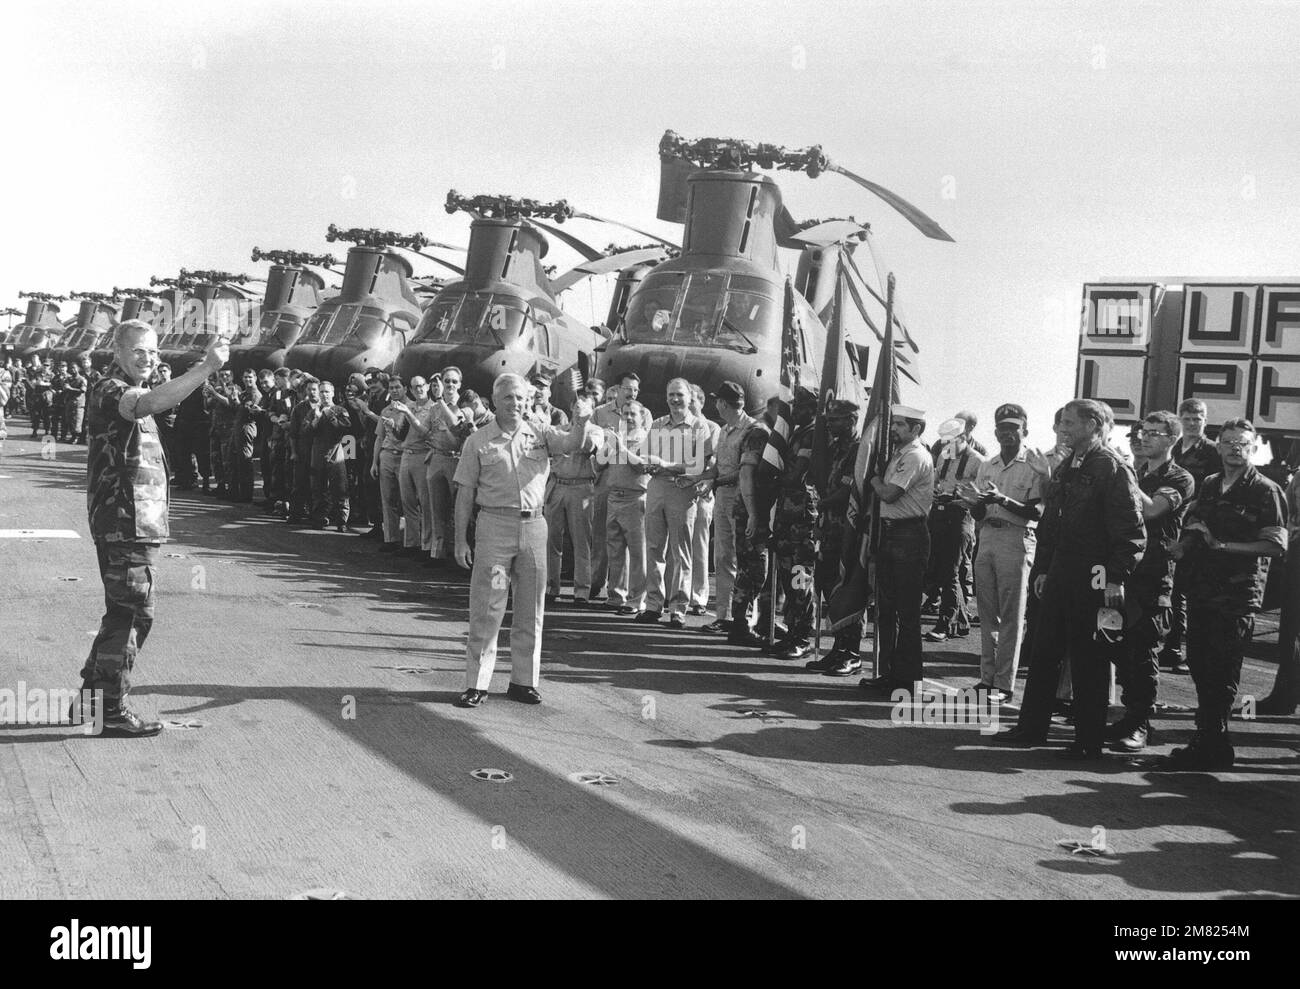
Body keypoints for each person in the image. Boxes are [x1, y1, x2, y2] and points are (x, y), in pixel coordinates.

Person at [73, 321, 228, 737]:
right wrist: (205, 368)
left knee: (125, 612)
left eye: (154, 352)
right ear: (118, 354)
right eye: (139, 351)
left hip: (136, 522)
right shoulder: (110, 389)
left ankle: (91, 701)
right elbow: (148, 404)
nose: (148, 359)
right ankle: (109, 710)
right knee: (132, 613)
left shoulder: (134, 389)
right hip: (124, 523)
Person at [1001, 399, 1146, 759]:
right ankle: (1031, 727)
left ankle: (1087, 741)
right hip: (1062, 570)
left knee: (1089, 658)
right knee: (1044, 650)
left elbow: (1131, 531)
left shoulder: (1112, 467)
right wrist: (1046, 568)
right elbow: (1053, 521)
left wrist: (1115, 578)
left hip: (1093, 574)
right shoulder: (1069, 463)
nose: (1062, 428)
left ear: (1093, 424)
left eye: (1068, 422)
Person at [452, 373, 593, 708]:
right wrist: (461, 539)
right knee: (490, 605)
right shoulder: (479, 441)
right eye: (508, 398)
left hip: (533, 530)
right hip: (496, 529)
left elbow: (573, 443)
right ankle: (477, 683)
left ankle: (523, 681)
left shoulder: (541, 433)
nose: (515, 404)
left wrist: (582, 419)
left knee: (531, 607)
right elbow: (465, 494)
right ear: (495, 401)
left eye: (520, 398)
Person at [1158, 419, 1287, 770]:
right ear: (1218, 446)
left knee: (1223, 670)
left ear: (1254, 447)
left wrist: (1222, 545)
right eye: (1228, 442)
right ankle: (1206, 739)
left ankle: (1216, 745)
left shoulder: (1265, 490)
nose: (1234, 448)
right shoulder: (1212, 484)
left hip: (1236, 595)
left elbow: (1275, 546)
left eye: (1242, 443)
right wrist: (1182, 546)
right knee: (1199, 665)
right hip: (1201, 589)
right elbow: (1196, 525)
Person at [1106, 410, 1194, 752]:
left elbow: (1153, 511)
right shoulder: (1138, 472)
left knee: (1143, 652)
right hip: (1124, 573)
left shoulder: (1180, 477)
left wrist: (1126, 475)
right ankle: (1129, 717)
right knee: (1119, 648)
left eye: (1155, 433)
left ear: (1172, 439)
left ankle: (1141, 723)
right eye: (1143, 431)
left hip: (1153, 577)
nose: (1144, 437)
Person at [956, 404, 1043, 703]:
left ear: (1024, 431)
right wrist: (972, 502)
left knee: (1011, 615)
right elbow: (981, 509)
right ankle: (987, 679)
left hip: (1016, 538)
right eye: (1002, 428)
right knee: (987, 613)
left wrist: (1002, 500)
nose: (1007, 433)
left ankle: (1004, 684)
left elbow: (1037, 511)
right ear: (995, 432)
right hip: (988, 535)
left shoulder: (1033, 463)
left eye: (1013, 428)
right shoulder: (988, 464)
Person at [860, 406, 936, 693]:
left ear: (916, 429)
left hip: (908, 536)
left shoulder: (915, 455)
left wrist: (875, 480)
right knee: (887, 609)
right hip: (891, 534)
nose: (894, 430)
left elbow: (890, 494)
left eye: (901, 425)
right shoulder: (899, 455)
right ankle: (890, 673)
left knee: (905, 612)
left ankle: (906, 678)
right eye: (894, 424)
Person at [638, 378, 715, 628]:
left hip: (682, 490)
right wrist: (649, 463)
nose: (674, 399)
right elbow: (646, 455)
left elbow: (698, 465)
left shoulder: (699, 427)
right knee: (653, 547)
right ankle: (653, 605)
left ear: (690, 397)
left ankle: (678, 608)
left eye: (679, 395)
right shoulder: (659, 424)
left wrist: (667, 465)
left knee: (680, 552)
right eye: (671, 394)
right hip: (657, 487)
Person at [1161, 398, 1224, 675]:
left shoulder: (1211, 451)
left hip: (1197, 526)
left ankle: (1179, 649)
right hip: (1172, 523)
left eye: (1197, 419)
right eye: (1186, 418)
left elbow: (1214, 488)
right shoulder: (1173, 447)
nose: (1191, 423)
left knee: (1187, 589)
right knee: (1172, 587)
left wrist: (1191, 511)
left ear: (1205, 421)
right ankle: (1171, 646)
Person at [809, 399, 866, 675]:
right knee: (828, 585)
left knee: (848, 589)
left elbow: (848, 491)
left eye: (835, 420)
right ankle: (838, 648)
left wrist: (821, 504)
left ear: (851, 421)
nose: (829, 425)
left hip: (848, 530)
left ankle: (852, 653)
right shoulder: (834, 449)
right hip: (830, 528)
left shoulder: (859, 451)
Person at [699, 382, 755, 635]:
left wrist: (713, 480)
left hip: (742, 500)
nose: (716, 406)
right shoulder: (724, 430)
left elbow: (744, 473)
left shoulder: (752, 430)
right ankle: (724, 614)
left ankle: (744, 617)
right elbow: (718, 466)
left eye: (717, 402)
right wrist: (702, 478)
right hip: (722, 497)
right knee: (722, 557)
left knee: (743, 558)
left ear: (723, 403)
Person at [768, 388, 820, 659]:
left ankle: (802, 635)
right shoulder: (797, 433)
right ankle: (792, 631)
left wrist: (771, 477)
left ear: (813, 409)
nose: (794, 412)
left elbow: (798, 473)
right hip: (788, 512)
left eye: (800, 407)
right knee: (789, 576)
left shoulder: (812, 434)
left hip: (802, 515)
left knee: (801, 576)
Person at [592, 372, 652, 602]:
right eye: (625, 414)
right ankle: (616, 595)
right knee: (614, 549)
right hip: (613, 496)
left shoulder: (646, 438)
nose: (627, 417)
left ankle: (638, 599)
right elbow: (598, 464)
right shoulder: (615, 435)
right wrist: (608, 447)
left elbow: (641, 467)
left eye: (632, 414)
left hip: (635, 498)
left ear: (641, 416)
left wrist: (622, 449)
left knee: (638, 552)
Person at [924, 422, 985, 641]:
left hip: (961, 517)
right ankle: (960, 620)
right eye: (944, 441)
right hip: (940, 515)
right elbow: (938, 479)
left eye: (951, 441)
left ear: (964, 437)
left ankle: (945, 623)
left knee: (951, 572)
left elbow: (982, 497)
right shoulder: (944, 455)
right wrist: (937, 492)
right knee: (941, 570)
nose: (946, 445)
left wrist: (958, 498)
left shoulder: (979, 461)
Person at [545, 392, 601, 605]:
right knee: (552, 540)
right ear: (570, 406)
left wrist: (583, 424)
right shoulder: (558, 430)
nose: (579, 409)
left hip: (581, 488)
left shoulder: (596, 430)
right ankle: (552, 587)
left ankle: (581, 591)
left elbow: (587, 447)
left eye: (585, 406)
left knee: (581, 541)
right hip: (557, 485)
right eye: (577, 405)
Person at [424, 366, 467, 565]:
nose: (450, 385)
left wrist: (441, 401)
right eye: (446, 381)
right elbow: (426, 431)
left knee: (458, 509)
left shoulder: (464, 407)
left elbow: (458, 431)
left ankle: (458, 553)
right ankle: (437, 553)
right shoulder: (433, 408)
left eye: (454, 382)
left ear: (460, 384)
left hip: (455, 460)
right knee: (436, 508)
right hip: (437, 459)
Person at [392, 376, 436, 557]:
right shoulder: (408, 407)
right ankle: (411, 543)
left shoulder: (433, 408)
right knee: (407, 501)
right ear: (410, 390)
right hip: (406, 455)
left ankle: (427, 546)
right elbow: (400, 435)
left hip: (422, 456)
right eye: (414, 387)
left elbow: (426, 434)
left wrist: (408, 415)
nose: (418, 389)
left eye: (421, 386)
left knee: (425, 503)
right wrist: (393, 426)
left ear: (426, 387)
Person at [371, 376, 410, 553]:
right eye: (392, 388)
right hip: (387, 455)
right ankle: (391, 539)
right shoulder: (386, 410)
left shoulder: (412, 408)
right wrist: (374, 462)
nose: (394, 390)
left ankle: (411, 543)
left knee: (408, 501)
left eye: (398, 387)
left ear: (405, 389)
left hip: (405, 456)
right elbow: (379, 437)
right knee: (388, 499)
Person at [310, 381, 355, 531]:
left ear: (333, 393)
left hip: (336, 452)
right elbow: (305, 432)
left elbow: (345, 429)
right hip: (318, 453)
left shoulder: (340, 409)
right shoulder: (314, 410)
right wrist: (315, 420)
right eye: (321, 392)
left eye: (327, 392)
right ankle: (320, 517)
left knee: (340, 487)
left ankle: (342, 520)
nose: (324, 395)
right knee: (318, 487)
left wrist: (330, 415)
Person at [286, 377, 322, 522]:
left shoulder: (326, 407)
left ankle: (316, 514)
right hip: (303, 450)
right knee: (299, 483)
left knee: (318, 485)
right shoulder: (299, 408)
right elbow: (293, 433)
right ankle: (296, 513)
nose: (312, 392)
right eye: (309, 389)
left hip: (319, 451)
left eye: (314, 389)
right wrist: (294, 452)